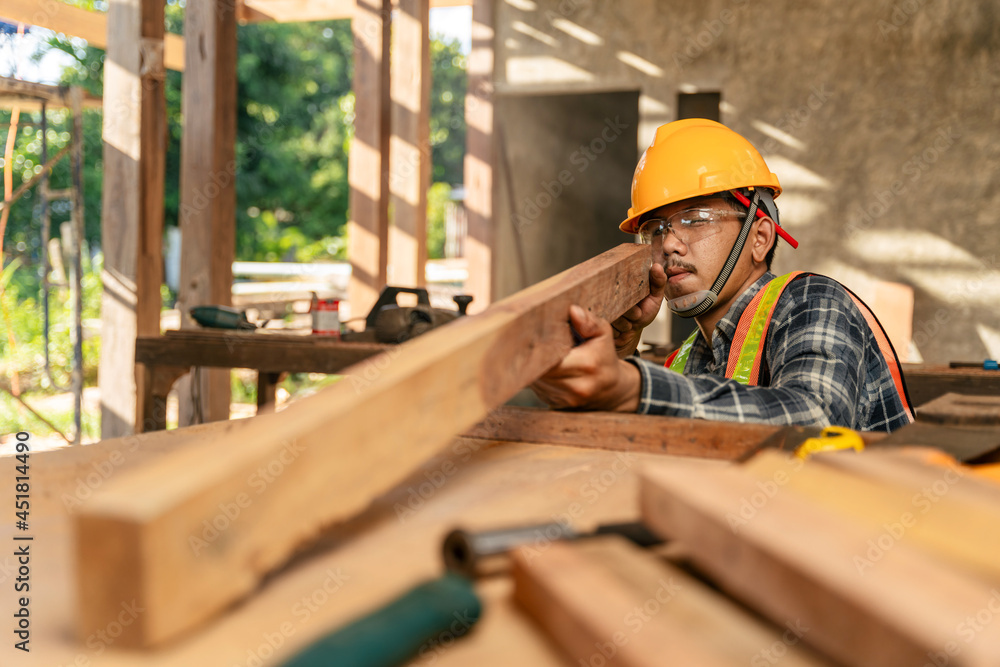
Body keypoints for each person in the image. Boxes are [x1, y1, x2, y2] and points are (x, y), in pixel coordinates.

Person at [532, 118, 913, 432]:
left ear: (760, 238)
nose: (669, 245)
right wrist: (618, 353)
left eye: (696, 219)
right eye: (657, 229)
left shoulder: (813, 302)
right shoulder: (689, 359)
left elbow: (816, 419)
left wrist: (633, 387)